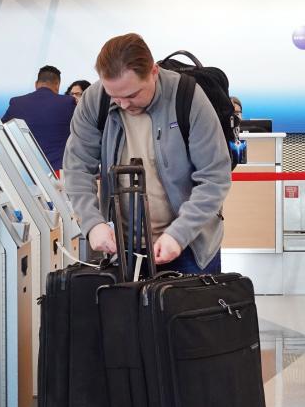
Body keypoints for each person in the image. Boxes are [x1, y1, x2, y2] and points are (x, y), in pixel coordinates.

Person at [62, 33, 231, 274]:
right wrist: (93, 223)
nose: (123, 105)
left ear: (154, 72)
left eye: (132, 95)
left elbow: (215, 177)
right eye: (114, 96)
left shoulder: (188, 97)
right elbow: (77, 168)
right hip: (121, 249)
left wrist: (179, 234)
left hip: (189, 247)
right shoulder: (94, 100)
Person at [1, 65, 76, 171]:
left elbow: (0, 133)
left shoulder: (17, 103)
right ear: (57, 84)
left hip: (27, 173)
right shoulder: (68, 102)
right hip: (59, 173)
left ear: (36, 84)